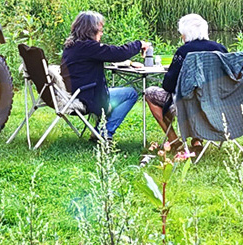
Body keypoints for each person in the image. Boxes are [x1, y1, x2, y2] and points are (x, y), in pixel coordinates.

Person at [143, 13, 228, 148]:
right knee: (199, 94)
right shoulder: (221, 49)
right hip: (218, 105)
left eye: (181, 33)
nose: (181, 36)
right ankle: (197, 140)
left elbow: (168, 85)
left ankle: (173, 140)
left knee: (149, 93)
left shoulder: (184, 51)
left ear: (186, 33)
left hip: (188, 106)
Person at [60, 11, 145, 143]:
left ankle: (99, 129)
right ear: (91, 30)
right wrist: (139, 44)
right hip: (88, 96)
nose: (102, 33)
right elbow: (118, 53)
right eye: (100, 30)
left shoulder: (72, 45)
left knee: (112, 93)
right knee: (131, 94)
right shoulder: (88, 47)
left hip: (78, 91)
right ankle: (105, 131)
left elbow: (107, 54)